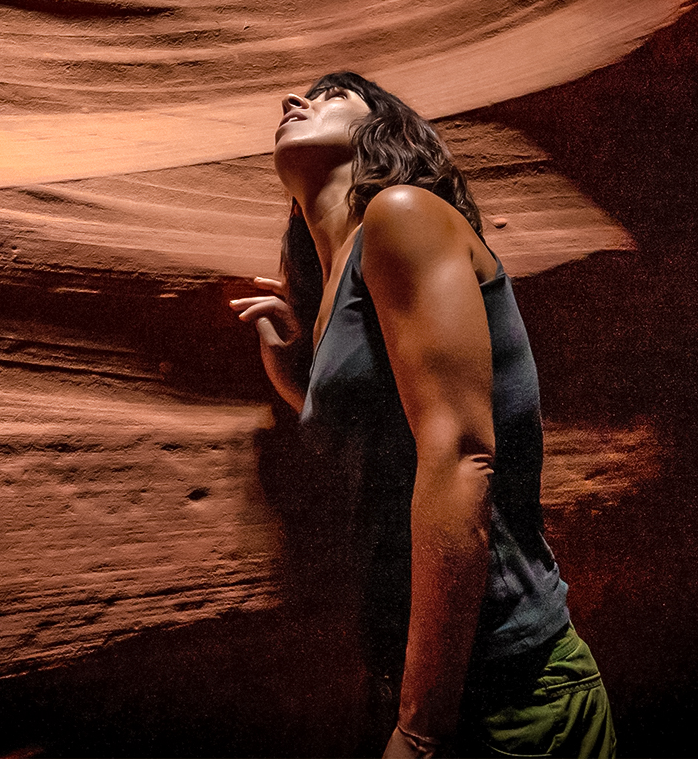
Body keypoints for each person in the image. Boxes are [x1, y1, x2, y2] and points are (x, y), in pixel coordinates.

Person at [229, 72, 615, 758]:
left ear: (384, 130)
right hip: (421, 679)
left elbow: (460, 452)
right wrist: (300, 375)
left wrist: (421, 727)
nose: (294, 102)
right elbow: (388, 442)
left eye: (331, 95)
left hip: (504, 691)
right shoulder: (342, 283)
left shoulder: (402, 214)